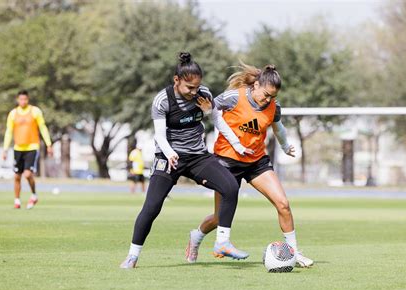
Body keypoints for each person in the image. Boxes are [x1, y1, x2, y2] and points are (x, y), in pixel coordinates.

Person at [120, 52, 250, 269]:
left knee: (230, 187)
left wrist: (236, 144)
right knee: (152, 207)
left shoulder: (204, 94)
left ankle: (222, 242)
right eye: (189, 88)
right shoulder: (163, 100)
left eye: (196, 87)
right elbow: (160, 135)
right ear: (176, 80)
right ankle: (132, 256)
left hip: (197, 157)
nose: (193, 92)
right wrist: (170, 152)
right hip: (169, 156)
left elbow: (217, 119)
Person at [185, 63, 314, 267]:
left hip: (256, 162)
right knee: (220, 218)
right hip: (227, 161)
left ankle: (294, 253)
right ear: (255, 86)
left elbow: (278, 128)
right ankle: (196, 237)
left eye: (272, 96)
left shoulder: (272, 107)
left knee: (283, 204)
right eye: (265, 94)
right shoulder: (233, 97)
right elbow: (211, 111)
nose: (268, 100)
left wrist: (286, 146)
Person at [2, 90, 53, 209]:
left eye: (25, 99)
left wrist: (48, 144)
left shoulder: (35, 111)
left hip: (32, 147)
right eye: (21, 99)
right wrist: (5, 149)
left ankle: (34, 195)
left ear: (28, 99)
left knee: (28, 174)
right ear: (17, 100)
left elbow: (42, 127)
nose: (23, 101)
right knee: (17, 176)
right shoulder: (13, 114)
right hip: (18, 148)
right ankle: (17, 201)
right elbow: (9, 132)